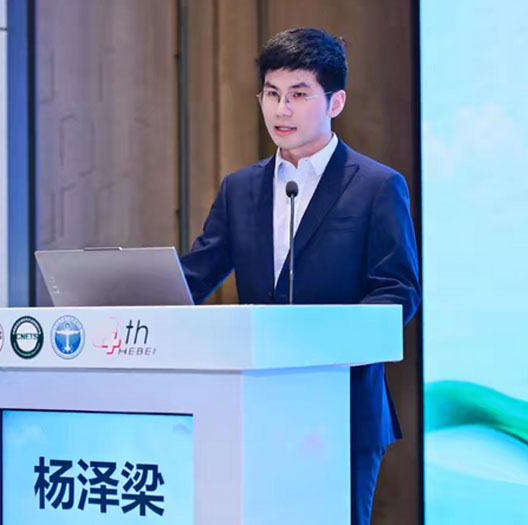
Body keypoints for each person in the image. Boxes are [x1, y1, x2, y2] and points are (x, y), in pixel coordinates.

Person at [181, 27, 421, 524]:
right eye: (271, 94)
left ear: (336, 102)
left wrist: (320, 339)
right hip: (254, 406)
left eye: (298, 95)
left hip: (342, 407)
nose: (281, 110)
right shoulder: (240, 188)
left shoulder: (377, 186)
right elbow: (195, 277)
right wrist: (126, 296)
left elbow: (397, 291)